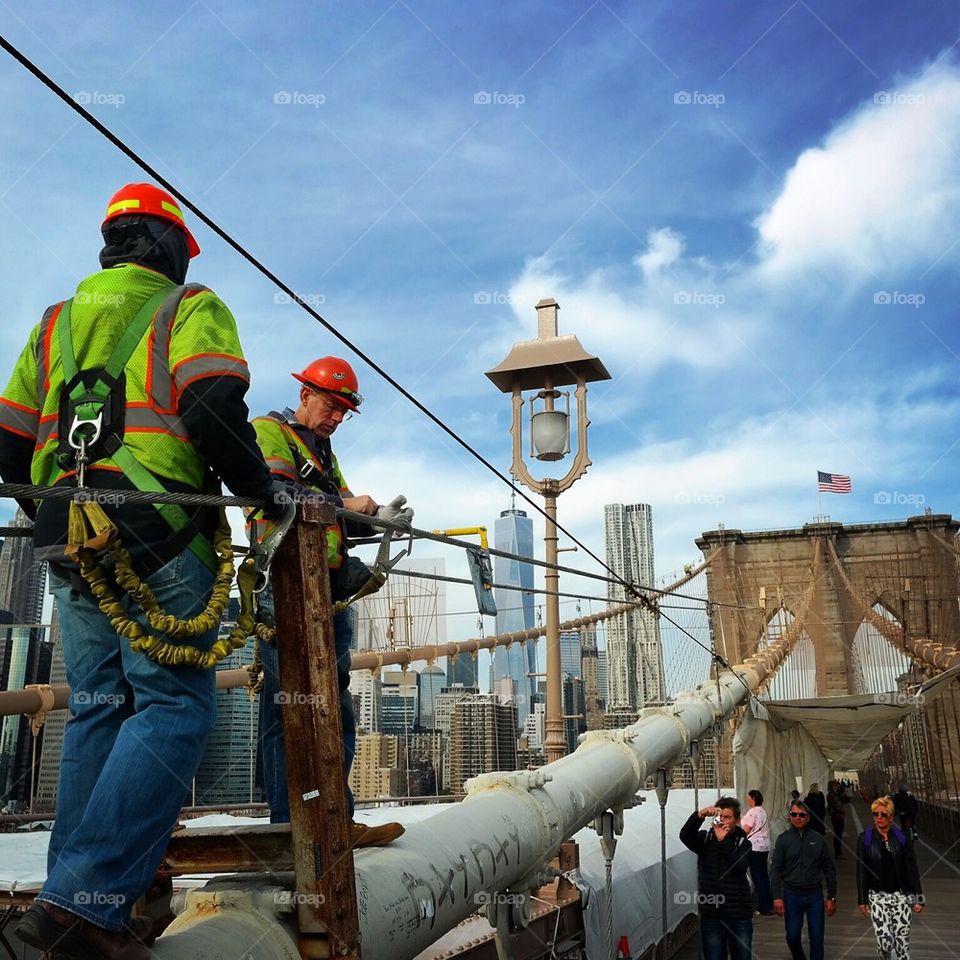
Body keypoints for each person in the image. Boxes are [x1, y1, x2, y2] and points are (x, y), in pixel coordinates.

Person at [0, 183, 282, 960]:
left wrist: (54, 515)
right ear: (167, 247)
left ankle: (77, 903)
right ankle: (78, 913)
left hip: (67, 537)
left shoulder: (54, 323)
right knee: (174, 709)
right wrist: (263, 494)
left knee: (98, 708)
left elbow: (7, 444)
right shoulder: (190, 306)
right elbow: (214, 404)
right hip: (158, 535)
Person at [252, 356, 412, 847]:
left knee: (335, 705)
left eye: (344, 411)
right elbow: (275, 493)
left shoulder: (321, 451)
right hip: (284, 585)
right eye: (331, 405)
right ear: (304, 396)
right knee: (288, 709)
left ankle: (336, 820)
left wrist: (379, 518)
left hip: (327, 588)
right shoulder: (269, 433)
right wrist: (350, 505)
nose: (338, 418)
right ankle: (288, 827)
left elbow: (337, 514)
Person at [679, 797, 753, 960]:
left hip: (739, 916)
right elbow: (685, 836)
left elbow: (739, 867)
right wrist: (700, 816)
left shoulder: (743, 843)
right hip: (712, 915)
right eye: (720, 816)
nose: (723, 821)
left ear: (737, 820)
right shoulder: (705, 840)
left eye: (728, 817)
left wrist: (723, 841)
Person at [856, 795, 923, 960]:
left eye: (883, 814)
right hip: (877, 897)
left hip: (901, 896)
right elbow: (861, 870)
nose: (879, 817)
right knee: (885, 942)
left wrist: (917, 898)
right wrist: (862, 900)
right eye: (875, 814)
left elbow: (912, 870)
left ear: (891, 817)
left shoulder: (901, 838)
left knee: (902, 943)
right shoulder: (866, 838)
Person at [770, 800, 838, 960]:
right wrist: (777, 896)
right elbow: (775, 870)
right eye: (794, 814)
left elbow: (829, 868)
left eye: (802, 815)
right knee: (792, 936)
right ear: (789, 817)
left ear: (808, 818)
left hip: (814, 895)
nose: (798, 818)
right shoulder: (783, 840)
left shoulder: (818, 839)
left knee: (817, 938)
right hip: (791, 894)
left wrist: (832, 896)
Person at [741, 789, 774, 915]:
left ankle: (763, 906)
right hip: (764, 846)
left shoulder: (752, 812)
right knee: (764, 875)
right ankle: (769, 903)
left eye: (748, 797)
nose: (747, 799)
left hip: (754, 846)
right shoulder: (763, 811)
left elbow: (746, 829)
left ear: (753, 799)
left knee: (757, 877)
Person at [826, 779, 847, 857]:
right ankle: (838, 853)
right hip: (837, 816)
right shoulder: (832, 795)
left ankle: (838, 852)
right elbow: (834, 806)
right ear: (832, 786)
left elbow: (842, 800)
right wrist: (840, 812)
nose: (837, 786)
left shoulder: (834, 794)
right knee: (838, 834)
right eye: (835, 785)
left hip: (837, 816)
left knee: (839, 834)